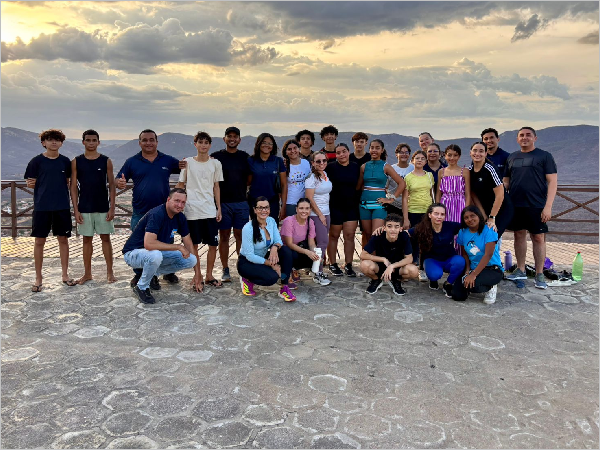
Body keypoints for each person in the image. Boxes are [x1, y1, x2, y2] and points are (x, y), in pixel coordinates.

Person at [117, 129, 184, 289]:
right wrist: (118, 182)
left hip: (165, 214)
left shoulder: (167, 160)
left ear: (156, 142)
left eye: (151, 139)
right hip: (141, 212)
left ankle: (167, 271)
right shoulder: (131, 162)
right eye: (145, 140)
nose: (148, 143)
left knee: (167, 243)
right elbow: (118, 178)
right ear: (139, 142)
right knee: (139, 245)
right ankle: (141, 274)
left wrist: (204, 159)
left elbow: (186, 167)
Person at [122, 188, 198, 304]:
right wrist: (178, 247)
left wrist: (197, 274)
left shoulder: (180, 217)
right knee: (155, 255)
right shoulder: (157, 214)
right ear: (168, 200)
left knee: (191, 260)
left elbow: (188, 242)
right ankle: (141, 287)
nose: (180, 205)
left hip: (153, 253)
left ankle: (152, 274)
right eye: (177, 201)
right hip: (133, 253)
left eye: (183, 202)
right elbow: (149, 244)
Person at [503, 127, 558, 290]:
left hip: (537, 205)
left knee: (538, 238)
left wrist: (548, 207)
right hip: (515, 204)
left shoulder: (544, 156)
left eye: (528, 135)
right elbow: (506, 181)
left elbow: (553, 182)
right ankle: (520, 270)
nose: (524, 138)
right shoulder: (512, 157)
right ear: (517, 139)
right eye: (521, 135)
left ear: (535, 138)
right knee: (518, 235)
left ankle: (539, 273)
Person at [25, 129, 75, 292]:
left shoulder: (65, 161)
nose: (54, 142)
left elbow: (68, 181)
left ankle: (65, 275)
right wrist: (30, 184)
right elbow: (30, 182)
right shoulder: (36, 161)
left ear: (61, 143)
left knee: (63, 240)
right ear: (43, 142)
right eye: (50, 139)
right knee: (39, 241)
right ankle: (38, 278)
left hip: (62, 206)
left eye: (57, 140)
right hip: (42, 207)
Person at [176, 131, 224, 292]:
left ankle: (209, 275)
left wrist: (218, 207)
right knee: (194, 245)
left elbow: (216, 186)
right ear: (195, 144)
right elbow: (181, 184)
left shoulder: (216, 163)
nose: (203, 145)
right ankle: (198, 275)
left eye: (206, 142)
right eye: (200, 142)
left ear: (210, 145)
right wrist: (174, 203)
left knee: (213, 244)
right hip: (191, 210)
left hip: (209, 209)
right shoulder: (187, 162)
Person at [70, 129, 117, 285]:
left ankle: (110, 272)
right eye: (88, 140)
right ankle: (87, 274)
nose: (91, 143)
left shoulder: (106, 161)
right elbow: (73, 187)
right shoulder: (76, 161)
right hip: (84, 207)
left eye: (94, 140)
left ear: (98, 142)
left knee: (106, 239)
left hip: (103, 206)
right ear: (83, 142)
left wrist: (112, 207)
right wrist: (76, 209)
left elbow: (112, 185)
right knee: (86, 240)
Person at [238, 197, 296, 301]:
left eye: (266, 207)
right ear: (255, 210)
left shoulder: (271, 221)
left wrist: (274, 248)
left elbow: (279, 241)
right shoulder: (248, 228)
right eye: (260, 208)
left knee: (286, 251)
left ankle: (284, 288)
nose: (264, 210)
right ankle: (247, 279)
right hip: (246, 262)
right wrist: (272, 265)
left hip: (262, 256)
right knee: (271, 278)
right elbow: (250, 256)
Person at [212, 126, 250, 283]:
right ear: (224, 139)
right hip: (223, 203)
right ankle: (225, 268)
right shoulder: (216, 157)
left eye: (235, 136)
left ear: (239, 140)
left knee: (241, 236)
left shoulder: (245, 157)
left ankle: (242, 267)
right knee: (224, 236)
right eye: (229, 136)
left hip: (241, 202)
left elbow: (250, 178)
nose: (232, 139)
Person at [407, 203, 465, 297]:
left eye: (442, 214)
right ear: (430, 215)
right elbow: (405, 234)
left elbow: (468, 226)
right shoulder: (422, 227)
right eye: (436, 214)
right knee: (434, 275)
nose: (439, 217)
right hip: (432, 260)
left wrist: (488, 223)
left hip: (449, 258)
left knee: (460, 261)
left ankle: (448, 283)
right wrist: (386, 230)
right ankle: (433, 280)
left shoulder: (450, 226)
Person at [358, 139, 405, 246]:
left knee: (376, 235)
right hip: (364, 204)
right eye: (372, 148)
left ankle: (377, 257)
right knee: (367, 234)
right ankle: (368, 256)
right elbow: (359, 186)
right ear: (369, 149)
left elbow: (402, 183)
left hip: (379, 205)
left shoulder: (386, 166)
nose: (374, 150)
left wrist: (391, 199)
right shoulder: (364, 166)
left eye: (377, 148)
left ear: (382, 150)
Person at [453, 206, 504, 304]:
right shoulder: (462, 232)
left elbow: (488, 255)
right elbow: (465, 254)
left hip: (492, 269)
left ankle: (491, 286)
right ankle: (470, 285)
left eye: (472, 216)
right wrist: (467, 270)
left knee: (475, 285)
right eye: (466, 217)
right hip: (473, 268)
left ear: (479, 216)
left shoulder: (489, 230)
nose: (470, 219)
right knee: (457, 295)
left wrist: (473, 274)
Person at [360, 214, 418, 295]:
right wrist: (383, 259)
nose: (393, 230)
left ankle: (396, 280)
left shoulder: (404, 236)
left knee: (414, 271)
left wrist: (392, 266)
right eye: (389, 226)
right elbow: (363, 255)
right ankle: (376, 280)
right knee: (364, 265)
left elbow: (409, 258)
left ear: (401, 229)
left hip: (397, 267)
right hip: (380, 266)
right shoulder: (378, 235)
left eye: (396, 227)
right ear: (384, 227)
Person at [326, 143, 361, 277]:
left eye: (344, 151)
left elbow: (359, 185)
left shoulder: (355, 167)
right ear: (335, 155)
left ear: (348, 152)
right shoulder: (330, 167)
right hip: (335, 206)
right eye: (338, 153)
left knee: (350, 236)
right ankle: (332, 264)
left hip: (351, 206)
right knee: (334, 236)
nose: (341, 155)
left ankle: (348, 264)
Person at [468, 142, 514, 237]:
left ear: (485, 154)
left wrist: (492, 217)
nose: (477, 153)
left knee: (492, 237)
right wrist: (483, 214)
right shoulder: (469, 170)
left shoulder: (490, 169)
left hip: (502, 209)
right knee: (481, 237)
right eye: (475, 150)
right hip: (485, 208)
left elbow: (500, 195)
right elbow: (473, 194)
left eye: (481, 151)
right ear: (470, 153)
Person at [280, 198, 327, 286]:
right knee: (290, 253)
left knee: (316, 259)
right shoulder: (289, 221)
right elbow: (289, 244)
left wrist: (315, 254)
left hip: (300, 249)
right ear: (296, 209)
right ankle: (286, 274)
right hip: (285, 250)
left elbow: (311, 243)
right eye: (301, 208)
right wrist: (307, 252)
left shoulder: (310, 222)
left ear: (310, 210)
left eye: (307, 208)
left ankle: (294, 269)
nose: (304, 211)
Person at [305, 151, 333, 286]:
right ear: (313, 163)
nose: (322, 163)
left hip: (326, 212)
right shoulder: (312, 178)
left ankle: (315, 269)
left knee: (321, 243)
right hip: (316, 214)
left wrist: (325, 214)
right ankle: (318, 273)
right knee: (322, 243)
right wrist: (320, 215)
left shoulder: (324, 174)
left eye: (324, 160)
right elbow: (309, 198)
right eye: (318, 161)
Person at [248, 133, 287, 224]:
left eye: (270, 143)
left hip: (272, 202)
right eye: (264, 142)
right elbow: (248, 182)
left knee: (271, 229)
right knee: (256, 229)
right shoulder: (251, 160)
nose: (267, 145)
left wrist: (283, 205)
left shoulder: (278, 161)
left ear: (273, 146)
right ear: (258, 144)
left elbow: (284, 185)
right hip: (254, 202)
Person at [436, 144, 470, 224]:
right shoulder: (441, 171)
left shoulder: (465, 171)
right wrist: (438, 207)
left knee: (459, 225)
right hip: (445, 203)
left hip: (460, 203)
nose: (452, 158)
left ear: (459, 156)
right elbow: (438, 192)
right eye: (449, 155)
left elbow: (467, 193)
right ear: (445, 156)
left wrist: (466, 209)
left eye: (455, 155)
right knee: (445, 225)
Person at [402, 150, 435, 230]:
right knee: (414, 235)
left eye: (422, 159)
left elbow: (432, 194)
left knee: (427, 235)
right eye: (417, 158)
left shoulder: (430, 175)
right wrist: (406, 219)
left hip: (427, 212)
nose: (420, 160)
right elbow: (404, 199)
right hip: (413, 212)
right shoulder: (408, 177)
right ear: (412, 161)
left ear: (426, 162)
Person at [282, 139, 311, 217]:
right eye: (289, 149)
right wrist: (283, 206)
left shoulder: (306, 163)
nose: (293, 151)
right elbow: (283, 186)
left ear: (299, 149)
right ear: (286, 152)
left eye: (295, 148)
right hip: (291, 202)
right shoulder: (284, 166)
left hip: (305, 202)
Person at [385, 143, 414, 216]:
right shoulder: (391, 168)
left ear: (409, 155)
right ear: (396, 154)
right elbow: (385, 187)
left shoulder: (413, 168)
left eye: (406, 152)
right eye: (401, 152)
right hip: (393, 204)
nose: (404, 154)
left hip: (410, 205)